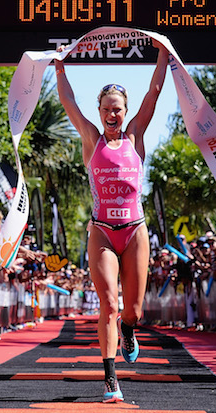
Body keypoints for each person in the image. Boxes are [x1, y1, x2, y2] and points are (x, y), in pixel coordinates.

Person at [55, 39, 169, 402]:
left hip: (134, 230)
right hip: (102, 231)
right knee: (109, 305)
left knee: (132, 310)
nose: (112, 115)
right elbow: (68, 103)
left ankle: (129, 330)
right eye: (106, 109)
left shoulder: (135, 136)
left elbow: (154, 91)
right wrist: (59, 66)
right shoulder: (91, 139)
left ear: (125, 110)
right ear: (100, 110)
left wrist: (163, 51)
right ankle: (110, 379)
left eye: (117, 109)